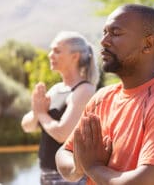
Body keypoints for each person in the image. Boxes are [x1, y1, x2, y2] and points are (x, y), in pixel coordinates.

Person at [55, 4, 154, 185]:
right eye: (105, 32)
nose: (104, 41)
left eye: (115, 33)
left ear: (148, 44)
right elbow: (64, 153)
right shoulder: (101, 99)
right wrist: (80, 166)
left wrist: (94, 168)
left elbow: (148, 182)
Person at [21, 31, 99, 185]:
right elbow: (27, 126)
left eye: (57, 51)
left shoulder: (85, 90)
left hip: (69, 178)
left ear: (75, 56)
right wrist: (38, 112)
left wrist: (41, 114)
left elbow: (63, 134)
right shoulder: (56, 89)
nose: (50, 55)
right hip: (47, 174)